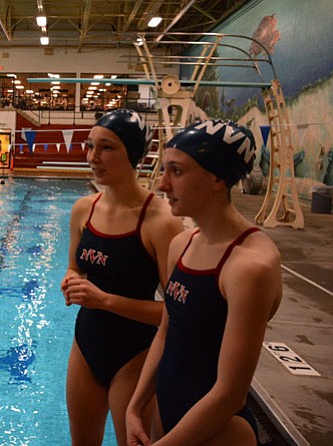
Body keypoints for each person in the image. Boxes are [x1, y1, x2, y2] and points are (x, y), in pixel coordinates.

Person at [126, 120, 282, 446]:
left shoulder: (249, 265)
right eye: (164, 170)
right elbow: (167, 332)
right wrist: (135, 406)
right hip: (166, 418)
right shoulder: (182, 244)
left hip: (218, 431)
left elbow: (230, 394)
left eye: (177, 172)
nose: (162, 184)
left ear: (217, 178)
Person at [60, 109, 183, 446]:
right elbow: (74, 267)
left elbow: (176, 313)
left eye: (107, 148)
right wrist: (70, 280)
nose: (93, 158)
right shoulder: (83, 210)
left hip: (135, 355)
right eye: (89, 146)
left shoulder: (161, 222)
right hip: (85, 347)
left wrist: (105, 301)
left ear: (133, 156)